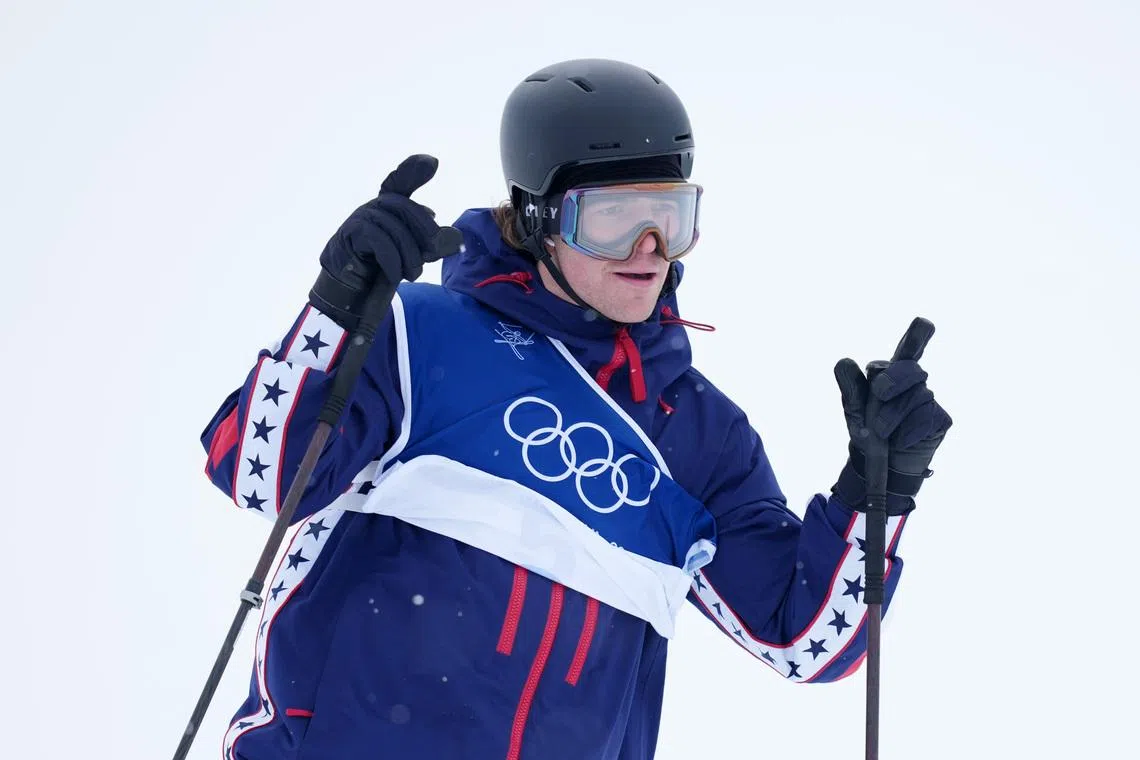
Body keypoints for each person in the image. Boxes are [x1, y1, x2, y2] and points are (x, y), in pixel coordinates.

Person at [200, 58, 952, 760]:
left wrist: (877, 495)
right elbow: (257, 472)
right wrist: (336, 310)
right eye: (612, 218)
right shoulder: (417, 336)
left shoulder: (700, 435)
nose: (650, 248)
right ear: (537, 219)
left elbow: (806, 642)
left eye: (670, 216)